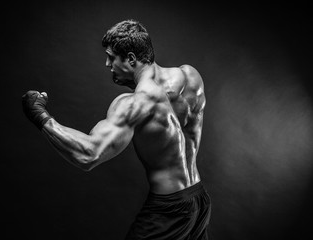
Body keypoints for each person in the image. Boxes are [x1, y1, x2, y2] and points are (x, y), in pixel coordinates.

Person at [22, 19, 211, 240]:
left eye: (111, 57)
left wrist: (40, 115)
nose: (107, 64)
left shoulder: (134, 103)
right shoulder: (190, 76)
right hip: (199, 199)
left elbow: (88, 154)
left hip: (168, 210)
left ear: (131, 59)